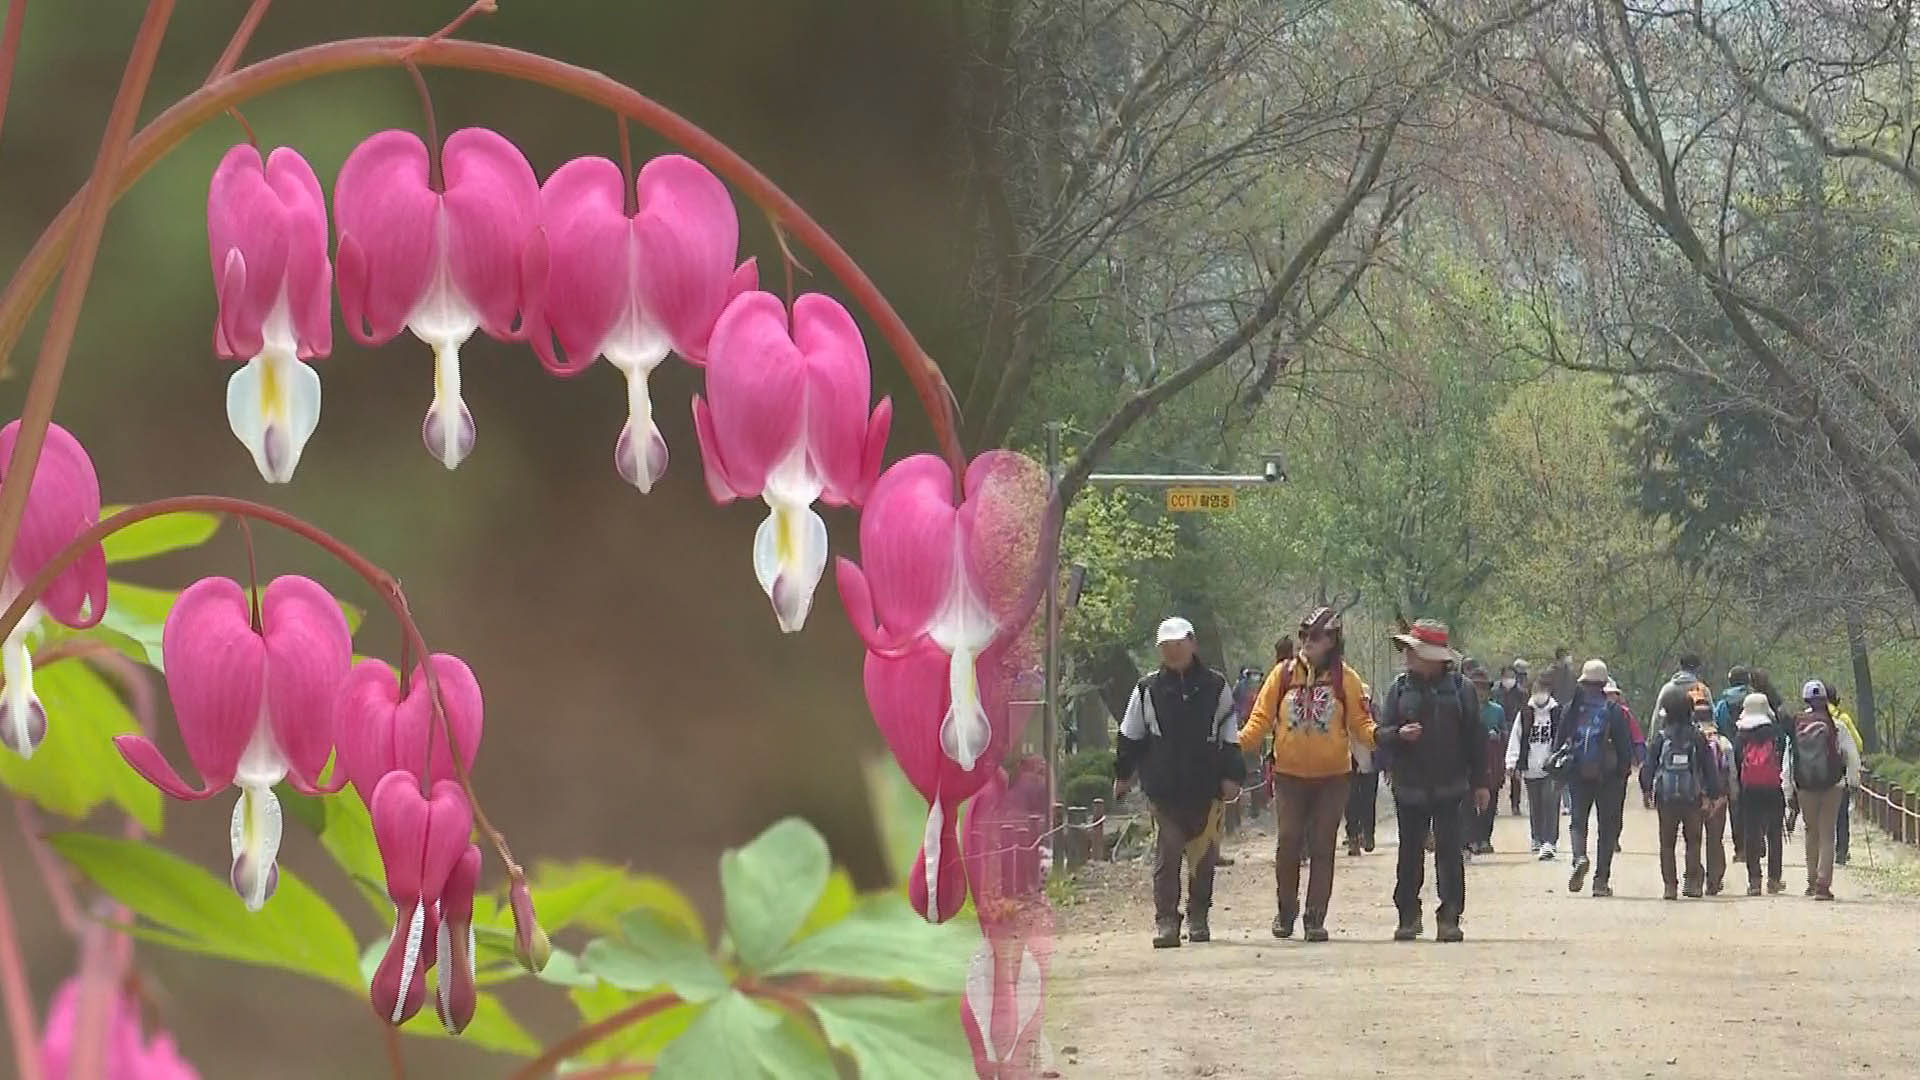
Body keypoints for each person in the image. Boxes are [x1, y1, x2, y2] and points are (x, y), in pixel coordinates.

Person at [1236, 607, 1375, 942]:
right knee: (1288, 842)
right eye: (1303, 636)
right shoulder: (1282, 676)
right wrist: (1232, 746)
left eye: (1315, 636)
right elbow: (1259, 721)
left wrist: (1386, 736)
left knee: (1323, 844)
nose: (1307, 643)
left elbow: (1361, 725)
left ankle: (1315, 917)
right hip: (1288, 777)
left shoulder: (1347, 679)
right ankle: (1285, 910)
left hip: (1334, 778)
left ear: (1333, 640)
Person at [1114, 617, 1244, 947]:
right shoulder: (1147, 689)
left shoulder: (1216, 687)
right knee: (1168, 854)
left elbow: (1230, 735)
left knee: (1204, 858)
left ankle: (1198, 916)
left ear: (1193, 645)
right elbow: (1131, 736)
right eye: (1167, 647)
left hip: (1207, 789)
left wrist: (1232, 776)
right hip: (1164, 790)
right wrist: (1123, 775)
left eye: (1179, 644)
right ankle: (1167, 921)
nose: (1173, 651)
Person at [1375, 620, 1488, 942]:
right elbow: (1381, 733)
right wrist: (1399, 735)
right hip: (1409, 785)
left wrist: (1480, 782)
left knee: (1450, 852)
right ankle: (1408, 916)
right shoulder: (1398, 688)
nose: (1408, 656)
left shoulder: (1461, 690)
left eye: (1414, 650)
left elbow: (1475, 739)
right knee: (1409, 853)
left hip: (1451, 785)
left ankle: (1449, 916)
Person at [1557, 660, 1635, 897]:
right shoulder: (1614, 711)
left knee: (1578, 821)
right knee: (1607, 828)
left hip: (1578, 773)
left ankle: (1579, 857)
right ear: (1604, 684)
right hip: (1608, 777)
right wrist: (1623, 772)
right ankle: (1601, 881)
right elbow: (1624, 746)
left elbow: (1560, 743)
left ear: (1582, 682)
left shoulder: (1571, 708)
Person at [1641, 686, 1725, 899]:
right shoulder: (1697, 736)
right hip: (1692, 797)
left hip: (1666, 797)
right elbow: (1709, 768)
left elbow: (1649, 766)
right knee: (1693, 840)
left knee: (1667, 842)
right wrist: (1713, 794)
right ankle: (1692, 882)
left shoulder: (1661, 737)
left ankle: (1670, 886)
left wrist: (1646, 789)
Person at [1784, 681, 1862, 901]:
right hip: (1832, 785)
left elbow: (1788, 760)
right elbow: (1852, 755)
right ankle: (1822, 884)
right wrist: (1853, 783)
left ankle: (1810, 881)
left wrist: (1789, 791)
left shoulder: (1798, 724)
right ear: (1826, 699)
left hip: (1805, 787)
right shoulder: (1836, 725)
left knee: (1811, 832)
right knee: (1828, 833)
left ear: (1805, 699)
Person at [1731, 692, 1789, 896]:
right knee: (1775, 834)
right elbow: (1784, 760)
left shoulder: (1741, 735)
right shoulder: (1776, 733)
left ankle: (1754, 881)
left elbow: (1736, 763)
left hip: (1749, 790)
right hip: (1773, 788)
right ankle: (1774, 880)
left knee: (1751, 834)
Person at [1506, 674, 1562, 859]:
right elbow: (1516, 737)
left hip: (1551, 768)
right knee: (1535, 806)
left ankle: (1550, 841)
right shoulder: (1525, 714)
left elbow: (1563, 738)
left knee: (1551, 805)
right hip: (1530, 767)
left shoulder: (1557, 713)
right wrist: (1511, 762)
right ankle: (1537, 838)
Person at [1467, 663, 1506, 854]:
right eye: (1476, 687)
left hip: (1493, 759)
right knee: (1468, 801)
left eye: (1483, 688)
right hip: (1470, 760)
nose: (1480, 691)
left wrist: (1497, 735)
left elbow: (1505, 734)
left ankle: (1485, 838)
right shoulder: (1465, 710)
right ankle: (1471, 838)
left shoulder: (1497, 710)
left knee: (1490, 802)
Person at [1697, 703, 1735, 895]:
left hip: (1695, 796)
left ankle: (1695, 878)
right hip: (1719, 797)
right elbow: (1732, 773)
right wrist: (1732, 795)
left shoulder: (1692, 740)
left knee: (1694, 839)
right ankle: (1714, 880)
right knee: (1714, 839)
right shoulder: (1724, 742)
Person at [1824, 685, 1863, 865]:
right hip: (1839, 777)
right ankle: (1841, 852)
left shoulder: (1806, 718)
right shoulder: (1842, 719)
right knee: (1841, 816)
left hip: (1814, 778)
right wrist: (1854, 779)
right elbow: (1858, 745)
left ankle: (1823, 853)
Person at [1344, 683, 1380, 856]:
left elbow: (1380, 738)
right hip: (1348, 764)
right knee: (1350, 803)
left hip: (1369, 764)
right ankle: (1353, 838)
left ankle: (1368, 835)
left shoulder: (1374, 716)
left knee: (1368, 801)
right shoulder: (1343, 714)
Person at [1499, 661, 1531, 816]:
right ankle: (1493, 802)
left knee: (1516, 771)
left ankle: (1515, 804)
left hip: (1516, 733)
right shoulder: (1494, 692)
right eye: (1506, 676)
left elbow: (1525, 713)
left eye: (1512, 676)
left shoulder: (1522, 693)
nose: (1509, 679)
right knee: (1497, 770)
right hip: (1498, 734)